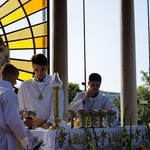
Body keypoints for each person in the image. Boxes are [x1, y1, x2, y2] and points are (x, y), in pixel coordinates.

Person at [17, 53, 64, 129]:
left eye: (43, 69)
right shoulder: (25, 85)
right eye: (36, 70)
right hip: (30, 127)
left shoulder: (56, 85)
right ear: (32, 67)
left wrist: (50, 122)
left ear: (47, 67)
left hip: (49, 126)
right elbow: (20, 109)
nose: (39, 73)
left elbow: (58, 107)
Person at [0, 63, 28, 150]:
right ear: (10, 77)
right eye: (15, 79)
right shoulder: (8, 93)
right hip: (3, 139)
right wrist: (24, 137)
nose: (15, 82)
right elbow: (12, 121)